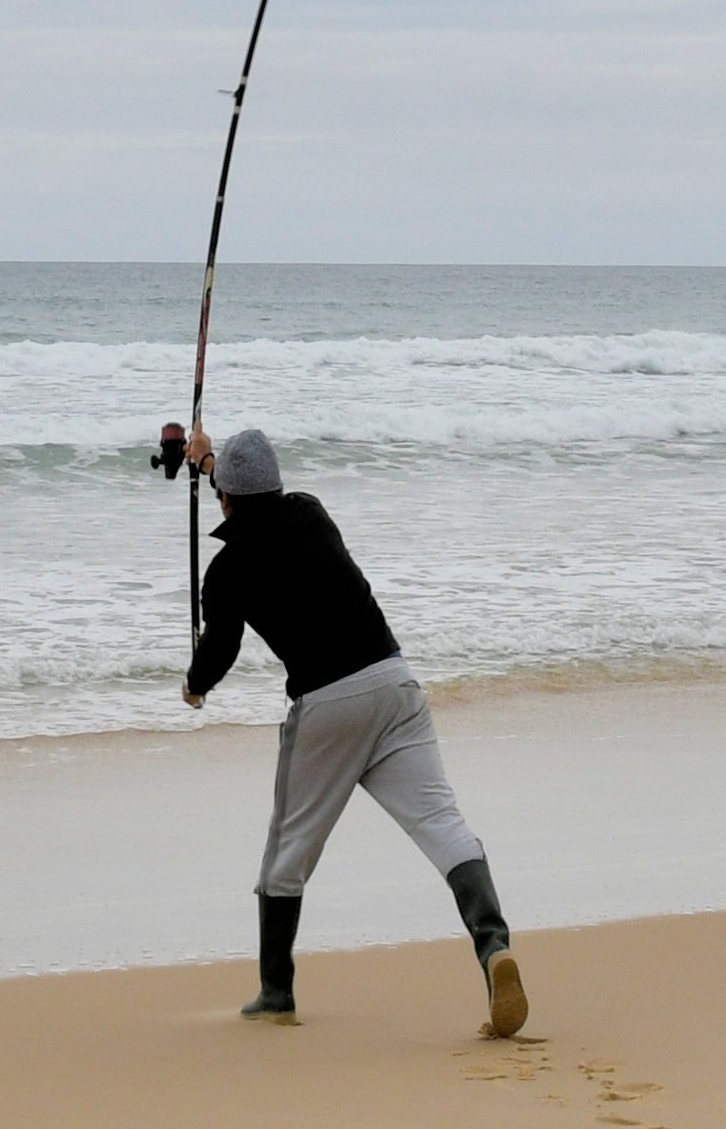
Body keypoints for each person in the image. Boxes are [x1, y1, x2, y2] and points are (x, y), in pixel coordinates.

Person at [161, 422, 527, 1037]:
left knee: (288, 853)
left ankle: (276, 992)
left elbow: (219, 650)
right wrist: (207, 464)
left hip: (329, 705)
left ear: (225, 497)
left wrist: (195, 685)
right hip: (395, 683)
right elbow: (254, 496)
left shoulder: (228, 570)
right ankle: (494, 947)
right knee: (444, 826)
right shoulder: (310, 513)